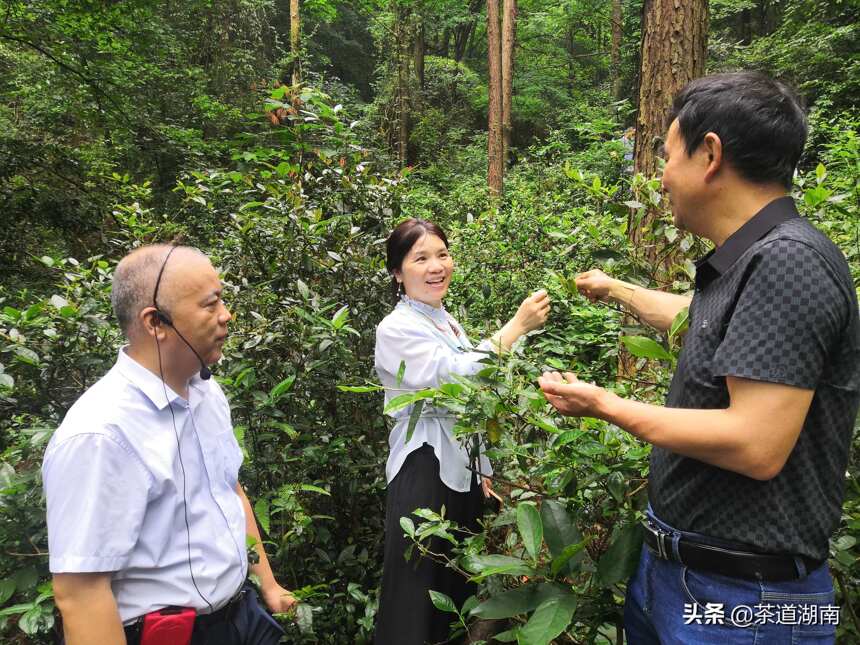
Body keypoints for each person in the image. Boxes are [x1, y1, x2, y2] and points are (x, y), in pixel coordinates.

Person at [539, 72, 859, 643]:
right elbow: (707, 320)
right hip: (689, 577)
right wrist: (616, 289)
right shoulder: (756, 258)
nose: (661, 178)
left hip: (744, 600)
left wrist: (607, 406)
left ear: (709, 154)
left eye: (666, 156)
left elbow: (755, 443)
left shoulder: (787, 261)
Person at [43, 245, 296, 645]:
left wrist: (267, 584)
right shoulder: (100, 434)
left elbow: (229, 490)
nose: (226, 314)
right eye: (210, 304)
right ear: (156, 322)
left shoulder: (206, 393)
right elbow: (80, 594)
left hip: (240, 616)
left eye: (222, 299)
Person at [373, 219, 550, 644]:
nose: (436, 267)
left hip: (460, 474)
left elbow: (475, 395)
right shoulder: (395, 328)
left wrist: (483, 467)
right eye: (421, 259)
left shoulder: (445, 321)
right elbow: (456, 377)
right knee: (416, 601)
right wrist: (516, 327)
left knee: (455, 594)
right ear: (398, 272)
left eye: (442, 255)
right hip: (424, 474)